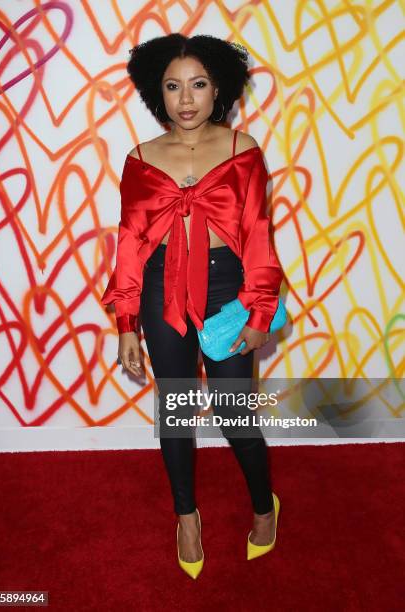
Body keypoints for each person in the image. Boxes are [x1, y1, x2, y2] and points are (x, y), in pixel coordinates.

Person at [101, 34, 284, 579]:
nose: (186, 98)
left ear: (218, 88)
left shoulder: (242, 148)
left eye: (198, 84)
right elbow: (130, 242)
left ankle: (263, 505)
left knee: (233, 411)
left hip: (228, 287)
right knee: (175, 410)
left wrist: (258, 311)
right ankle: (186, 517)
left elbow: (257, 234)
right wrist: (127, 322)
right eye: (173, 86)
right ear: (158, 94)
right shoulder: (139, 158)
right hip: (161, 289)